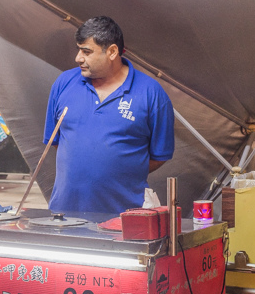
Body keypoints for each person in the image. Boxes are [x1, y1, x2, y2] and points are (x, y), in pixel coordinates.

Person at [43, 16, 174, 215]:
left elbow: (159, 155)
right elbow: (56, 141)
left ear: (112, 52)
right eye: (79, 50)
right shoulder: (64, 83)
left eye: (86, 52)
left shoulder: (151, 93)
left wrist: (119, 171)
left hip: (125, 218)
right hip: (65, 215)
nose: (78, 58)